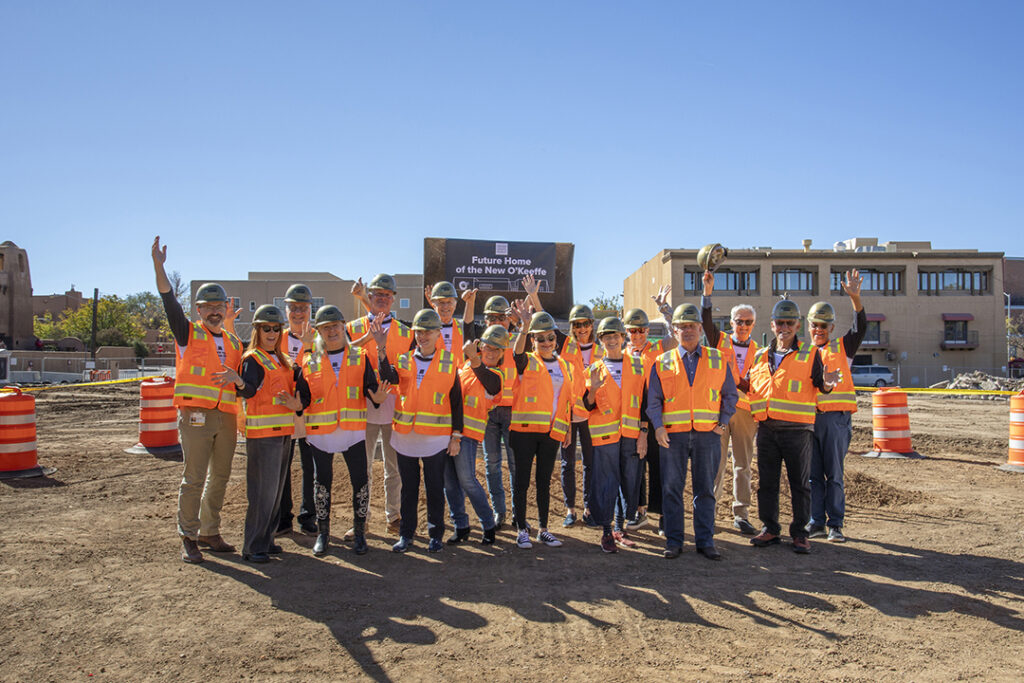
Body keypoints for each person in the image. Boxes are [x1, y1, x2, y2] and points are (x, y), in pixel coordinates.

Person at [152, 236, 243, 564]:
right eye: (208, 307)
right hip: (195, 416)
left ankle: (209, 531)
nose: (215, 312)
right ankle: (188, 535)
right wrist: (159, 266)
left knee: (221, 475)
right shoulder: (187, 332)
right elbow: (167, 298)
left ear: (225, 309)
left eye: (219, 307)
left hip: (226, 417)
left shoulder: (234, 342)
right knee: (194, 477)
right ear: (199, 309)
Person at [742, 300, 840, 554]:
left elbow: (822, 386)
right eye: (780, 323)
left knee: (800, 484)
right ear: (772, 325)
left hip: (798, 431)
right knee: (767, 483)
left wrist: (829, 384)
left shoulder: (810, 354)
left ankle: (799, 533)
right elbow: (751, 387)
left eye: (789, 323)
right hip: (767, 429)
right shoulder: (760, 355)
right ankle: (771, 528)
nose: (784, 327)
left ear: (797, 325)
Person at [647, 303, 738, 560]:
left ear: (700, 329)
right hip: (672, 436)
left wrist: (722, 424)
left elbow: (730, 395)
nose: (687, 331)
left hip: (707, 435)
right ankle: (674, 541)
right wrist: (658, 426)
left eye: (691, 326)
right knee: (671, 489)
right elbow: (653, 400)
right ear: (673, 331)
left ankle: (705, 541)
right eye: (681, 327)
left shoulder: (718, 359)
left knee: (705, 490)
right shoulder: (662, 362)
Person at [302, 305, 391, 556]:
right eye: (326, 327)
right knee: (323, 484)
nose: (332, 331)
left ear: (344, 327)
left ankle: (360, 533)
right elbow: (304, 396)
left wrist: (378, 396)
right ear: (319, 331)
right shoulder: (311, 360)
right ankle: (323, 534)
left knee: (360, 482)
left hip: (353, 431)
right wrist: (295, 403)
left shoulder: (360, 356)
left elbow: (371, 389)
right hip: (321, 432)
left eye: (336, 326)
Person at [226, 305, 308, 563]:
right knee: (262, 492)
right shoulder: (253, 358)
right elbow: (248, 390)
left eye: (275, 328)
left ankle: (267, 539)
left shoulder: (282, 359)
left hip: (283, 432)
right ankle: (253, 546)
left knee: (274, 492)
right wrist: (238, 382)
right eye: (266, 329)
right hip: (263, 436)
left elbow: (300, 384)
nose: (271, 333)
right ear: (257, 331)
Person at [383, 309, 463, 553]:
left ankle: (435, 535)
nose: (423, 336)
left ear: (439, 333)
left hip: (435, 438)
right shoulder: (404, 359)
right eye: (419, 331)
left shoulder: (450, 362)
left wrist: (456, 436)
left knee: (434, 487)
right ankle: (406, 534)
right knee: (408, 488)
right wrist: (379, 348)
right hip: (406, 436)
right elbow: (388, 377)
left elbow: (456, 401)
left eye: (428, 331)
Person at [517, 277, 594, 527]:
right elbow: (544, 323)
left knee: (591, 465)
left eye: (585, 324)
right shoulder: (566, 343)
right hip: (570, 414)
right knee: (567, 463)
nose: (581, 328)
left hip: (594, 414)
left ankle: (590, 508)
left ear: (592, 325)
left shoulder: (603, 346)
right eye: (577, 325)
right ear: (572, 327)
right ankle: (571, 509)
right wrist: (534, 296)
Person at [347, 273, 415, 538]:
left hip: (393, 405)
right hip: (360, 404)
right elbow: (343, 356)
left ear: (393, 299)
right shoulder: (353, 328)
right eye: (378, 295)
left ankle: (394, 516)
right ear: (370, 297)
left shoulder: (405, 332)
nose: (383, 299)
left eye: (387, 295)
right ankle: (361, 519)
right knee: (361, 467)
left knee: (393, 467)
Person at [508, 300, 575, 549]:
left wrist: (566, 426)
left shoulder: (565, 366)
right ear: (533, 341)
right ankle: (522, 529)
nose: (546, 343)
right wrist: (524, 327)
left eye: (550, 338)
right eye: (541, 339)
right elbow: (516, 354)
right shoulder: (526, 360)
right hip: (524, 432)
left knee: (544, 481)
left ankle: (543, 529)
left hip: (551, 433)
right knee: (522, 482)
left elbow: (565, 400)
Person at [806, 270, 866, 543]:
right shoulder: (803, 354)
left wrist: (855, 298)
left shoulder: (843, 347)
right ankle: (816, 521)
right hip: (810, 421)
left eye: (823, 326)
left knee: (835, 475)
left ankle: (836, 524)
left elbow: (861, 327)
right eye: (815, 325)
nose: (818, 330)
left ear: (831, 328)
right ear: (809, 327)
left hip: (835, 421)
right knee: (813, 476)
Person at [700, 270, 760, 536]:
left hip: (746, 414)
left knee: (743, 465)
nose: (743, 325)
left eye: (747, 322)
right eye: (739, 321)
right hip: (720, 412)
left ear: (753, 324)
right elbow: (705, 320)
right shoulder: (720, 341)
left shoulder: (760, 351)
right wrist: (708, 293)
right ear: (732, 322)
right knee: (717, 463)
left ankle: (741, 513)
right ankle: (710, 513)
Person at [582, 317, 647, 553]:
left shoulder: (638, 366)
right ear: (600, 341)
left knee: (628, 482)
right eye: (606, 336)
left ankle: (621, 528)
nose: (611, 340)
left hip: (631, 435)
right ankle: (607, 531)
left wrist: (644, 433)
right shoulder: (593, 370)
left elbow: (645, 403)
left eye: (615, 335)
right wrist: (595, 389)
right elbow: (587, 405)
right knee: (606, 484)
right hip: (605, 437)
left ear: (623, 338)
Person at [442, 328, 507, 545]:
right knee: (450, 483)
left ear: (501, 353)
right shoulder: (467, 367)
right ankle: (461, 525)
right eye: (487, 346)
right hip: (448, 432)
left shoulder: (496, 375)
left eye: (496, 349)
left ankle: (488, 524)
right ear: (481, 346)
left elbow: (489, 384)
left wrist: (473, 357)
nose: (491, 351)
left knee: (467, 480)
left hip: (468, 435)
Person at [460, 291, 519, 529]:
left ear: (508, 319)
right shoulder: (482, 342)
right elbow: (466, 330)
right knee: (492, 463)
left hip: (513, 411)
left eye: (501, 317)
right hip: (488, 412)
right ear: (485, 321)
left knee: (515, 464)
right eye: (491, 318)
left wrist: (523, 320)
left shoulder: (517, 340)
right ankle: (499, 511)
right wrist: (470, 303)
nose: (496, 322)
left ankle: (518, 511)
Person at [623, 304, 677, 534]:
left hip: (656, 415)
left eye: (641, 330)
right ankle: (640, 512)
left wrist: (667, 314)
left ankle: (665, 515)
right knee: (636, 467)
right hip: (632, 417)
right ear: (626, 332)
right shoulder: (622, 352)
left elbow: (675, 338)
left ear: (647, 331)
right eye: (632, 331)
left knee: (659, 466)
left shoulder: (658, 348)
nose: (637, 335)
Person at [276, 283, 318, 536]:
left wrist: (311, 346)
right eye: (293, 308)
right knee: (282, 465)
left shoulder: (318, 338)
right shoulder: (275, 337)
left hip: (309, 410)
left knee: (309, 466)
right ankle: (283, 517)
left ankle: (308, 515)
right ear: (286, 309)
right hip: (281, 409)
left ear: (310, 309)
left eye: (303, 308)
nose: (298, 313)